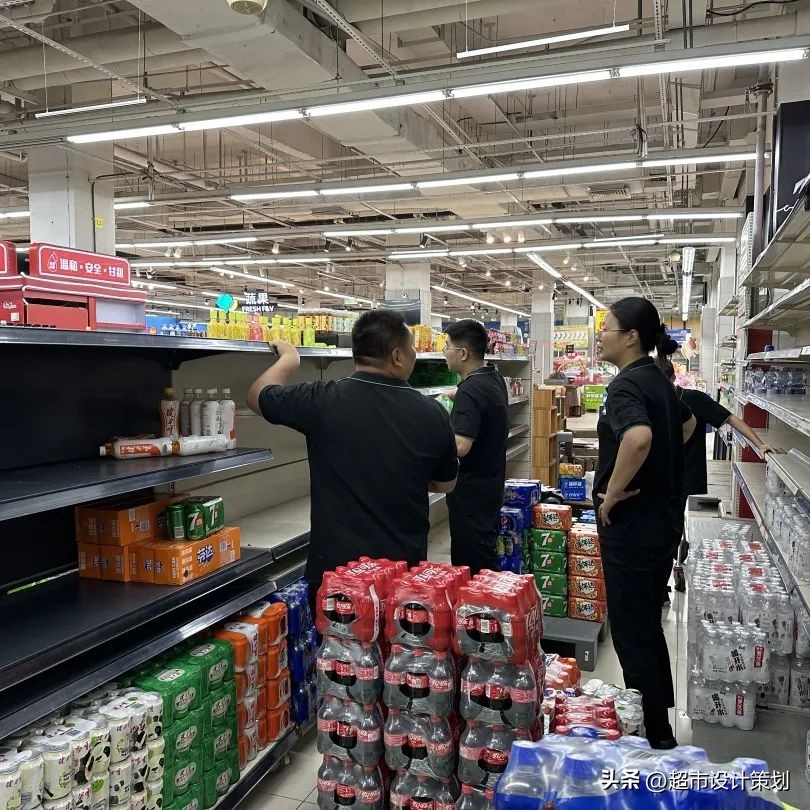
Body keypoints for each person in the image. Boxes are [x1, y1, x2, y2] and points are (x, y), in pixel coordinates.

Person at [246, 310, 458, 609]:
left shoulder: (321, 399)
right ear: (397, 356)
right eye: (413, 348)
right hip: (400, 569)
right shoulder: (433, 413)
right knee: (400, 650)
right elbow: (445, 484)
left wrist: (290, 360)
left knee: (335, 649)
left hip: (334, 571)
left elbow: (257, 395)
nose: (415, 354)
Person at [594, 297, 697, 750]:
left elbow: (638, 437)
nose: (601, 336)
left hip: (633, 528)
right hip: (662, 523)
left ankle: (651, 740)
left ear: (631, 336)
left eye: (607, 328)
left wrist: (613, 492)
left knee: (632, 633)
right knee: (649, 628)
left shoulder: (625, 386)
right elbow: (688, 425)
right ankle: (660, 721)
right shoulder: (659, 380)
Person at [657, 357, 782, 594]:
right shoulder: (653, 401)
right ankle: (661, 577)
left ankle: (661, 585)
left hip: (680, 478)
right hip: (656, 478)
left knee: (668, 531)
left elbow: (730, 418)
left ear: (671, 379)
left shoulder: (693, 399)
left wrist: (760, 444)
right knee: (660, 529)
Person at [441, 319, 509, 573]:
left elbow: (460, 445)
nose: (443, 353)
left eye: (446, 346)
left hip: (470, 493)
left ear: (463, 353)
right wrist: (455, 394)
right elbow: (480, 398)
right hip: (490, 484)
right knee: (484, 551)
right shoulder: (492, 377)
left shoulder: (471, 390)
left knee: (471, 563)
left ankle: (477, 610)